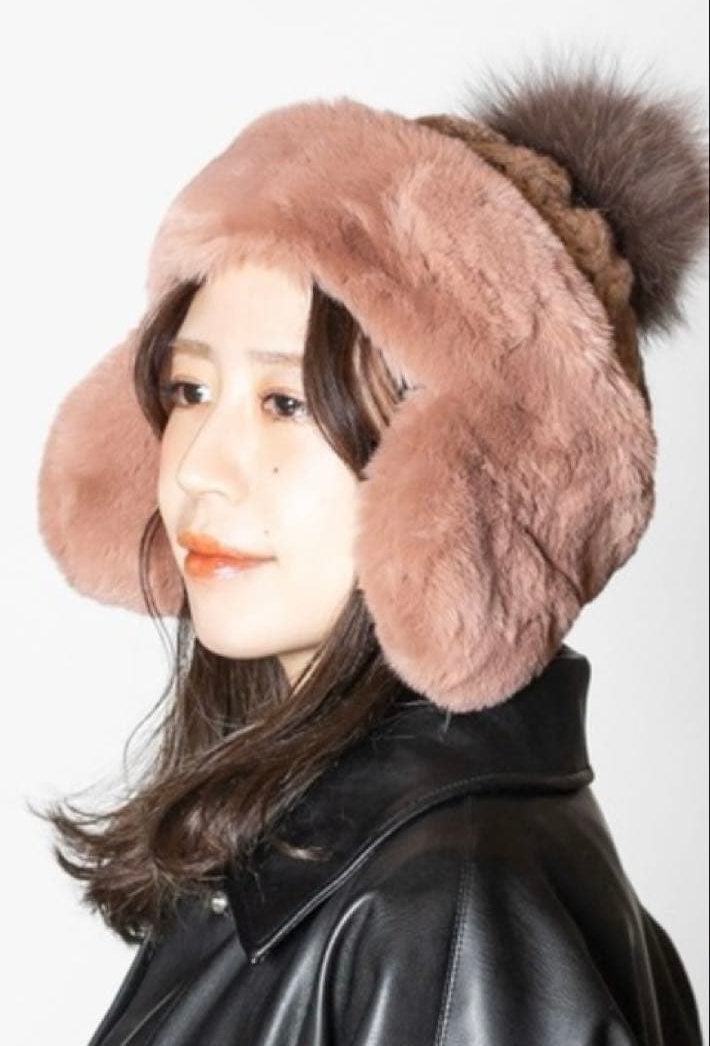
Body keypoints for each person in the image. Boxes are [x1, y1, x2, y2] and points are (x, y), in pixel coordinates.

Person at [34, 52, 707, 1044]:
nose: (200, 468)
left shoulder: (449, 910)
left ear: (464, 477)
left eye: (286, 402)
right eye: (188, 390)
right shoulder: (316, 853)